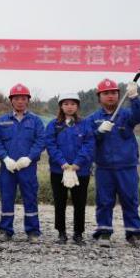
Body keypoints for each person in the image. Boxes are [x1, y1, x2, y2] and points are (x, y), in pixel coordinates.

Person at [86, 78, 140, 249]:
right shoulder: (92, 119)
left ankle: (134, 234)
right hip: (104, 167)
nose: (110, 96)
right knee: (104, 201)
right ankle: (104, 232)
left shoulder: (126, 115)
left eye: (114, 93)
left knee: (130, 200)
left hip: (127, 166)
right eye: (106, 93)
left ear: (119, 95)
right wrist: (98, 132)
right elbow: (88, 141)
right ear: (99, 97)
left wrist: (134, 97)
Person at [0, 84, 45, 243]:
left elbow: (40, 141)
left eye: (23, 98)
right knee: (7, 197)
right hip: (7, 168)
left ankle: (33, 231)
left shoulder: (36, 121)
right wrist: (5, 158)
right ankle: (5, 231)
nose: (20, 101)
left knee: (30, 197)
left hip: (28, 168)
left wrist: (29, 158)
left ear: (28, 100)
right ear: (11, 101)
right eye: (16, 98)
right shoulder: (2, 121)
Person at [45, 92, 95, 245]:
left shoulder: (85, 124)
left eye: (73, 104)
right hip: (59, 170)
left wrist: (77, 163)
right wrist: (62, 163)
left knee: (79, 203)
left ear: (77, 106)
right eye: (66, 104)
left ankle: (78, 234)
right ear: (61, 106)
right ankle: (61, 233)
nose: (69, 107)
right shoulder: (53, 125)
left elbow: (89, 144)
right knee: (60, 202)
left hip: (81, 171)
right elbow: (50, 145)